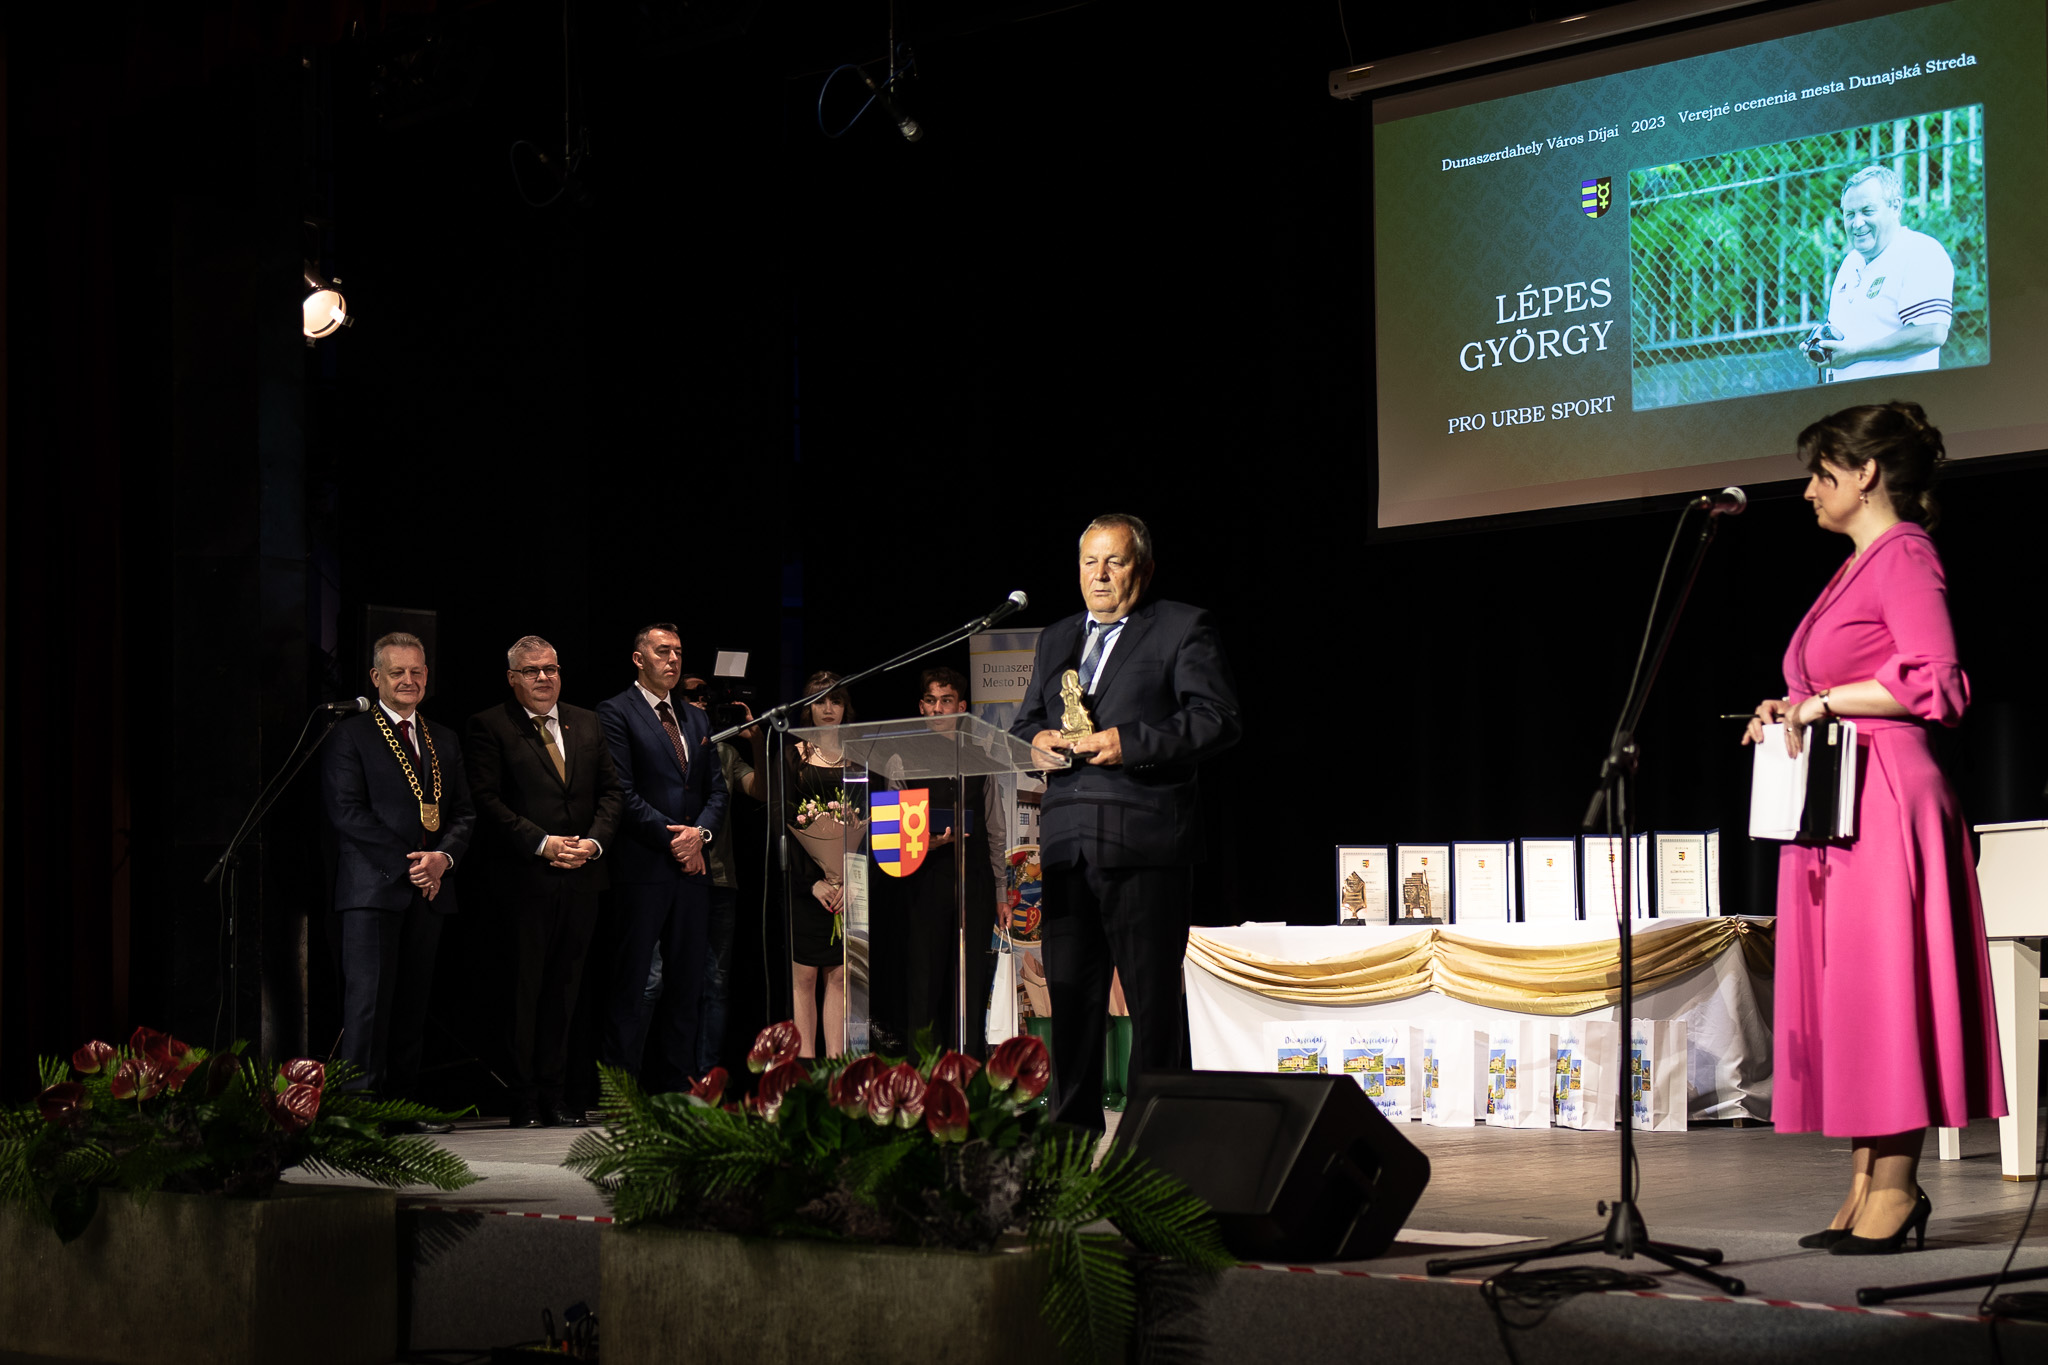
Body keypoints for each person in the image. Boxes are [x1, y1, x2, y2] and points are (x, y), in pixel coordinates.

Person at [1741, 401, 2005, 1254]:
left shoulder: (1906, 554)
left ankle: (1897, 1186)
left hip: (1886, 793)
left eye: (1822, 474)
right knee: (1855, 990)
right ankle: (1864, 1179)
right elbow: (1835, 683)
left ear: (1866, 474)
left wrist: (1822, 702)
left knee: (1889, 984)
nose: (1809, 491)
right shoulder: (1856, 566)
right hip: (1839, 797)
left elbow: (1939, 682)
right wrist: (1788, 707)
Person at [1010, 514, 1241, 1129]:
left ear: (1143, 568)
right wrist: (1035, 743)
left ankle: (1155, 1138)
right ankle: (1070, 1137)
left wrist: (1127, 742)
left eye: (1115, 561)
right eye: (1090, 562)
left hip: (1144, 843)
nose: (1101, 575)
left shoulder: (1181, 627)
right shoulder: (1056, 638)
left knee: (1151, 1004)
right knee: (1071, 1002)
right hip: (1067, 847)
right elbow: (1026, 722)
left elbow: (1217, 718)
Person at [467, 635, 623, 1128]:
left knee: (566, 993)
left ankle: (557, 1095)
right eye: (531, 671)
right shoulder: (490, 725)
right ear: (512, 678)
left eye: (550, 669)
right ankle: (523, 1099)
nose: (543, 678)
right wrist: (542, 843)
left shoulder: (587, 722)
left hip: (582, 878)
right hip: (525, 881)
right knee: (524, 993)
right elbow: (486, 800)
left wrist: (592, 843)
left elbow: (612, 792)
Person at [320, 632, 474, 1126]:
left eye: (416, 671)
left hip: (431, 888)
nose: (408, 680)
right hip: (373, 888)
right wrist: (412, 864)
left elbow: (464, 813)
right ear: (376, 678)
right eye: (397, 672)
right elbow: (347, 813)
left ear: (427, 675)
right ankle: (358, 1110)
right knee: (368, 1005)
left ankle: (402, 1106)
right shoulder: (350, 735)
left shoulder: (443, 737)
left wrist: (441, 859)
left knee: (412, 1004)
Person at [594, 626, 727, 1092]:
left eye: (678, 652)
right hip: (643, 868)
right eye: (662, 651)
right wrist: (678, 841)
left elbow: (716, 791)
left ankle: (676, 1088)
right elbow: (622, 793)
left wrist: (700, 836)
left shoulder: (697, 718)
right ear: (638, 658)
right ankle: (620, 1092)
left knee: (687, 986)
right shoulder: (615, 712)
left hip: (691, 871)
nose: (672, 659)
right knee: (633, 984)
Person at [888, 667, 1003, 1057]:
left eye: (946, 701)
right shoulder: (902, 758)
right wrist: (928, 842)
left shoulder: (980, 757)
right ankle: (924, 1071)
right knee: (924, 980)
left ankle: (967, 1069)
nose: (938, 709)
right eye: (931, 701)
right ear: (921, 707)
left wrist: (1001, 892)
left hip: (975, 882)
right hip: (924, 882)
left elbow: (996, 829)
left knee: (970, 982)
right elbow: (890, 836)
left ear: (961, 707)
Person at [680, 671, 765, 1075]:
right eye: (691, 695)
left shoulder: (725, 753)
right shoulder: (668, 747)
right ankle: (668, 1077)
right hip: (677, 878)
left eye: (706, 697)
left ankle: (706, 1078)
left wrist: (756, 740)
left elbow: (760, 791)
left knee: (715, 984)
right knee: (663, 981)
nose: (701, 702)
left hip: (719, 880)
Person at [1806, 165, 1954, 384]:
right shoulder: (1850, 262)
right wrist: (1823, 347)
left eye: (1867, 211)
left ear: (1895, 207)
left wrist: (1855, 353)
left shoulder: (1921, 251)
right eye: (1849, 214)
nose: (1857, 223)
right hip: (1848, 400)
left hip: (1897, 399)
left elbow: (1931, 332)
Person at [786, 671, 855, 1059]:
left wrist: (850, 879)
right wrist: (812, 882)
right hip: (806, 886)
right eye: (820, 701)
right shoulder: (793, 756)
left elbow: (870, 820)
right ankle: (804, 1070)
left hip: (849, 887)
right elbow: (784, 823)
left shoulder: (859, 757)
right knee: (805, 978)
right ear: (807, 708)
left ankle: (835, 1069)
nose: (828, 709)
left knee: (841, 976)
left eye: (836, 700)